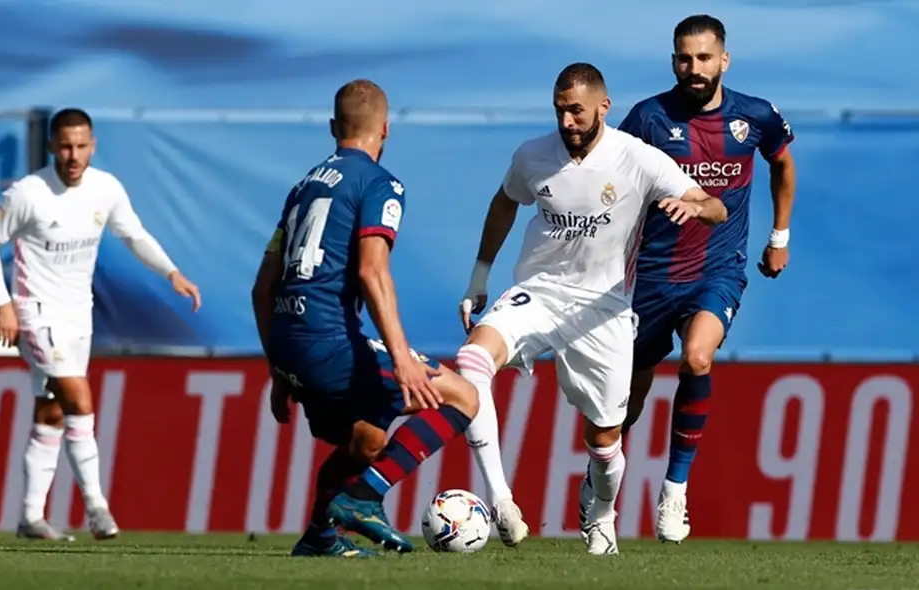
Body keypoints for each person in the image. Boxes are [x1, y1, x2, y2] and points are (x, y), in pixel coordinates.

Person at [456, 63, 727, 555]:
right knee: (472, 360)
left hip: (603, 310)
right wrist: (479, 278)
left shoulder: (638, 159)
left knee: (605, 439)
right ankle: (500, 501)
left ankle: (601, 513)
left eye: (576, 111)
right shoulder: (533, 155)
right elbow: (504, 204)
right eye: (560, 110)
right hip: (538, 292)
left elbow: (714, 206)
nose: (567, 122)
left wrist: (694, 208)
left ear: (604, 106)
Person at [579, 14, 797, 544]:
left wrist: (779, 237)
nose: (693, 68)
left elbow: (783, 166)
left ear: (724, 60)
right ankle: (600, 491)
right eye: (684, 58)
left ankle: (674, 492)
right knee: (622, 406)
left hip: (717, 271)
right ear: (673, 60)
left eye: (703, 58)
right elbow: (610, 178)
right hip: (649, 279)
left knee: (699, 356)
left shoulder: (757, 116)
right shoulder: (649, 118)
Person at [252, 79, 479, 558]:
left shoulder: (303, 187)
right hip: (328, 341)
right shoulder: (380, 183)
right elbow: (372, 272)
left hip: (289, 343)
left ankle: (319, 535)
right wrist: (402, 358)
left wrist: (277, 368)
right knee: (462, 396)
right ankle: (365, 497)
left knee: (366, 439)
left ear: (334, 127)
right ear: (386, 130)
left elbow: (262, 286)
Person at [0, 108, 201, 541]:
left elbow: (134, 234)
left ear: (93, 146)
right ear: (51, 148)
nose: (73, 155)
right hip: (35, 311)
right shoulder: (29, 193)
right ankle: (98, 508)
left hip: (78, 314)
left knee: (52, 412)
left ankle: (30, 517)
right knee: (80, 399)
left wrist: (171, 272)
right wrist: (4, 304)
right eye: (65, 146)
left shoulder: (105, 189)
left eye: (81, 146)